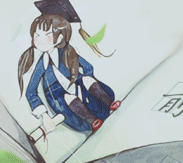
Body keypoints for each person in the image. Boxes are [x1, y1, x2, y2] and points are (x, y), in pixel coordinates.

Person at [17, 1, 119, 142]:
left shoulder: (68, 53)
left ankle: (108, 102)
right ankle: (92, 121)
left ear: (59, 37)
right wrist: (44, 115)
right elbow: (31, 91)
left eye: (46, 35)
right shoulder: (43, 63)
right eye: (37, 35)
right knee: (69, 98)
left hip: (80, 87)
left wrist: (86, 83)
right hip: (61, 98)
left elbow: (88, 67)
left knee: (87, 79)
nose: (39, 40)